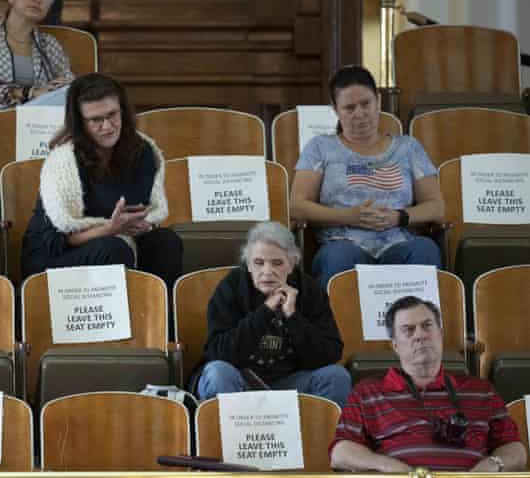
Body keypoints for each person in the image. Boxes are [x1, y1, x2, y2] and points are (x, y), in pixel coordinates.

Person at [21, 72, 182, 293]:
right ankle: (120, 325)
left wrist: (141, 225)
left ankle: (162, 324)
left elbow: (142, 211)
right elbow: (55, 240)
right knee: (112, 249)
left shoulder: (142, 151)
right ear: (80, 122)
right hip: (56, 255)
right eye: (96, 120)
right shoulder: (64, 161)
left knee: (166, 242)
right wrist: (110, 228)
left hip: (119, 241)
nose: (107, 126)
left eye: (112, 115)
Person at [291, 65, 444, 291]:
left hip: (399, 243)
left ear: (378, 101)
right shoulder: (320, 148)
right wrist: (348, 216)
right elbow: (297, 206)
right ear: (335, 109)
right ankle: (336, 327)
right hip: (342, 243)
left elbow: (436, 207)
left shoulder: (408, 148)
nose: (359, 114)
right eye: (349, 108)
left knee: (425, 249)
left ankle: (416, 326)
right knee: (338, 257)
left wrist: (398, 217)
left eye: (366, 104)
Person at [330, 296, 526, 471]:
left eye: (427, 326)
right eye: (408, 330)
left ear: (440, 334)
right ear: (395, 345)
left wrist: (492, 465)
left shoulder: (482, 390)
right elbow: (340, 453)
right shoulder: (367, 391)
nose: (420, 335)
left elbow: (516, 450)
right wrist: (389, 467)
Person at [194, 221, 351, 407]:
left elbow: (329, 354)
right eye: (258, 263)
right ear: (248, 265)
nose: (267, 272)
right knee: (218, 373)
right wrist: (265, 311)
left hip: (291, 383)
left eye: (277, 263)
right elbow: (218, 352)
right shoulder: (231, 287)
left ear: (291, 265)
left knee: (336, 376)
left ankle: (318, 436)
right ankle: (231, 436)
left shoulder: (309, 290)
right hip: (240, 380)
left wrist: (293, 318)